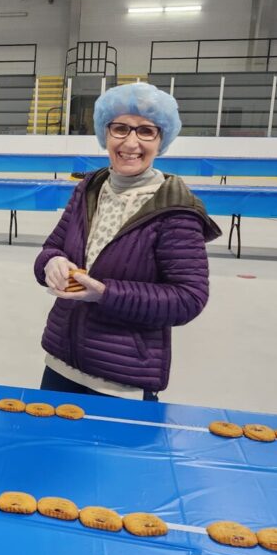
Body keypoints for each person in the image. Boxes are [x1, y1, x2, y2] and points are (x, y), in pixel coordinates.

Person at [33, 82, 221, 400]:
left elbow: (189, 298)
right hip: (60, 366)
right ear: (105, 133)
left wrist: (106, 294)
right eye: (120, 128)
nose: (130, 142)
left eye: (146, 131)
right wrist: (51, 262)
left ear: (161, 140)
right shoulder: (89, 189)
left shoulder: (175, 208)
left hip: (122, 382)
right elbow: (52, 248)